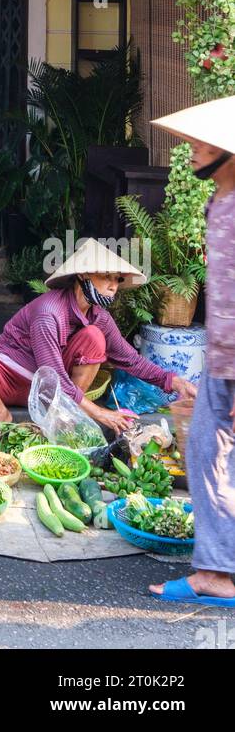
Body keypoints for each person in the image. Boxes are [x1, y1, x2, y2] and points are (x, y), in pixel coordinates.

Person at [0, 237, 197, 446]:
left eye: (117, 279)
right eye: (106, 277)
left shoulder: (99, 317)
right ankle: (0, 413)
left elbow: (129, 358)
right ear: (82, 275)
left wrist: (174, 382)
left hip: (47, 393)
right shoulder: (49, 312)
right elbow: (55, 375)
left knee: (94, 337)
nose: (113, 286)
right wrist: (100, 413)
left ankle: (64, 414)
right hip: (6, 380)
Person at [148, 96, 235, 608]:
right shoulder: (219, 201)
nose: (194, 149)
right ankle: (218, 568)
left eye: (205, 142)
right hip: (222, 358)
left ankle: (218, 574)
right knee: (207, 451)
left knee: (208, 453)